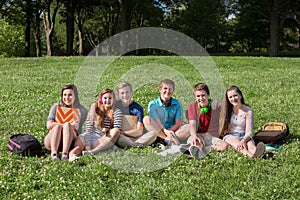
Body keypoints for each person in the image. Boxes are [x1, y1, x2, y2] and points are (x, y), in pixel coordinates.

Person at [69, 88, 122, 160]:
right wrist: (87, 144)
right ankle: (72, 157)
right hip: (89, 135)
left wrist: (107, 130)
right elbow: (89, 128)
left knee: (116, 131)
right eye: (105, 98)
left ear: (114, 100)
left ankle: (93, 152)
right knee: (78, 146)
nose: (107, 100)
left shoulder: (117, 112)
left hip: (103, 138)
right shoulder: (95, 110)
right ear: (101, 99)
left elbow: (117, 127)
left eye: (110, 98)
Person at [182, 83, 229, 159]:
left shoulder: (215, 106)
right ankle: (196, 148)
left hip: (212, 136)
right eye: (198, 96)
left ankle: (202, 150)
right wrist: (194, 136)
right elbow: (192, 124)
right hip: (199, 135)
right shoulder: (192, 107)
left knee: (224, 146)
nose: (201, 98)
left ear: (208, 95)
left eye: (203, 95)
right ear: (195, 97)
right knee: (195, 143)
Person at [219, 85, 265, 158]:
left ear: (240, 95)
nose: (233, 99)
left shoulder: (248, 111)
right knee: (240, 147)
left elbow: (249, 132)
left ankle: (259, 154)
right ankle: (252, 156)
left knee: (251, 146)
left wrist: (243, 141)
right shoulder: (227, 110)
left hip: (245, 135)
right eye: (230, 97)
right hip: (231, 136)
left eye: (235, 95)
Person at [44, 84, 87, 161]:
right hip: (53, 139)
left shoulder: (80, 110)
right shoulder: (56, 107)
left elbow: (77, 128)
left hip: (70, 140)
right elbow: (49, 125)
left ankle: (65, 153)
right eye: (64, 95)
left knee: (67, 125)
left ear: (75, 96)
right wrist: (61, 125)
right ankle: (54, 153)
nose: (67, 98)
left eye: (70, 95)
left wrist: (68, 125)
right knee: (57, 126)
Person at [143, 79, 188, 146]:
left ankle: (171, 140)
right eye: (165, 88)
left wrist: (170, 131)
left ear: (173, 91)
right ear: (160, 89)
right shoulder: (153, 104)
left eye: (170, 89)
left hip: (174, 131)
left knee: (190, 126)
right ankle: (166, 140)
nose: (168, 91)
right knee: (146, 119)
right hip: (158, 130)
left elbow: (178, 123)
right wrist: (166, 132)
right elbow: (158, 123)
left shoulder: (177, 103)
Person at [115, 82, 156, 148]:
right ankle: (136, 146)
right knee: (119, 137)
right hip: (122, 137)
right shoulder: (115, 105)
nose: (125, 95)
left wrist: (123, 133)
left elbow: (139, 131)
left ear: (131, 92)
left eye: (127, 92)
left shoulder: (138, 108)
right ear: (118, 95)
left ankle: (133, 145)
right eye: (122, 93)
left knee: (153, 134)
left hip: (136, 138)